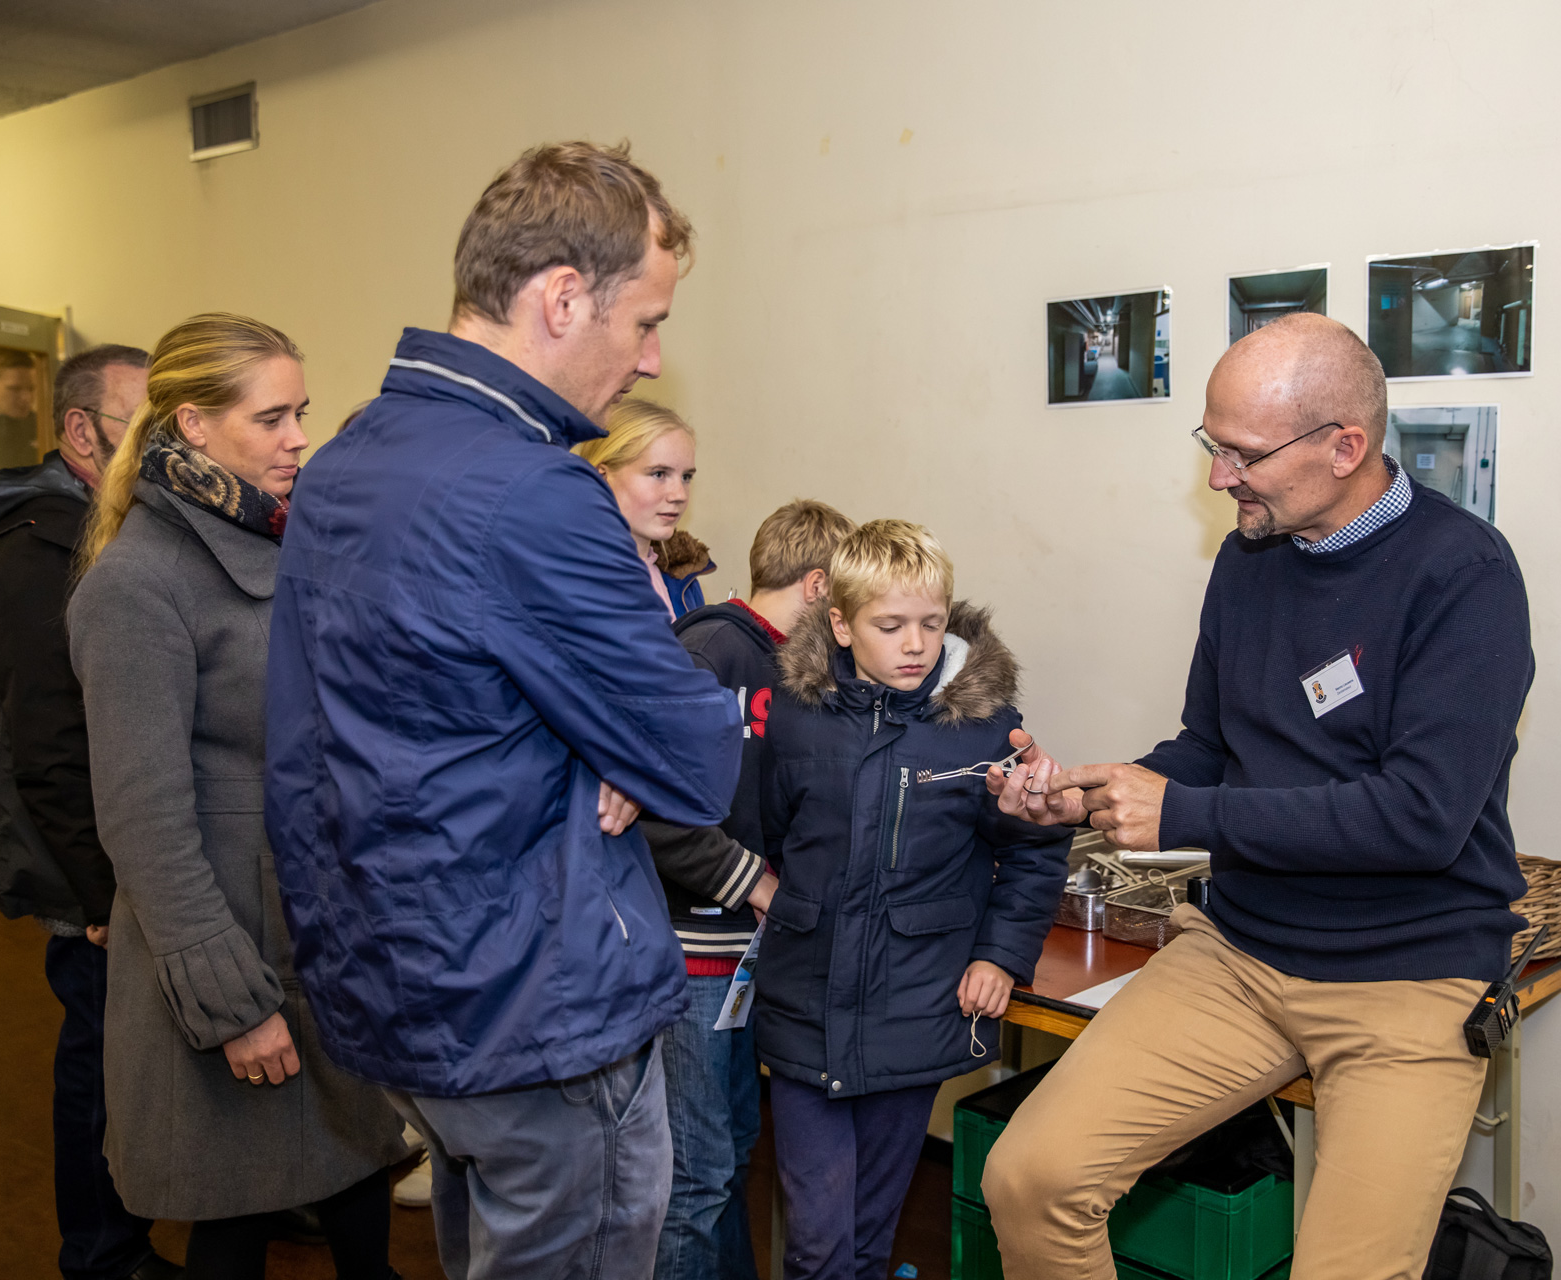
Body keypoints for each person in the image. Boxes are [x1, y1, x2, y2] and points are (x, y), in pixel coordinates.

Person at [264, 141, 743, 1280]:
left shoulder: (351, 455)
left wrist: (592, 733)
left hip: (403, 979)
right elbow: (693, 754)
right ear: (562, 297)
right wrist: (614, 742)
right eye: (645, 322)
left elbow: (336, 729)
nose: (651, 357)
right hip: (541, 1000)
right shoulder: (534, 488)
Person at [978, 313, 1536, 1280]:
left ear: (1345, 447)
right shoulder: (1249, 560)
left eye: (1241, 454)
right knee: (1033, 1177)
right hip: (1240, 953)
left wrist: (1181, 817)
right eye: (1211, 445)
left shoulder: (1464, 574)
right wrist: (1093, 797)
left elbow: (1421, 815)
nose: (1218, 478)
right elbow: (1208, 748)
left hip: (1409, 976)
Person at [66, 314, 406, 1280]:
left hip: (318, 937)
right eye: (273, 416)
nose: (300, 435)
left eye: (301, 410)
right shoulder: (137, 585)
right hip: (232, 952)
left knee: (352, 1179)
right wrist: (231, 1006)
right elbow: (143, 822)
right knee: (233, 1213)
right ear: (194, 426)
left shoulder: (287, 543)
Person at [757, 519, 1070, 1280]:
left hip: (917, 1004)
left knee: (871, 1236)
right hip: (806, 1007)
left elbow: (1034, 849)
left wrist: (1000, 954)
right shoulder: (796, 714)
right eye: (889, 625)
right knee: (817, 1243)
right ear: (840, 623)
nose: (914, 643)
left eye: (930, 623)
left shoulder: (984, 729)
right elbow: (773, 831)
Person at [0, 344, 176, 1280]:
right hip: (87, 866)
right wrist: (104, 895)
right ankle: (102, 1254)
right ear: (80, 431)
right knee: (101, 1060)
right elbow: (50, 744)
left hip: (119, 854)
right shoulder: (44, 540)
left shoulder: (109, 525)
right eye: (141, 422)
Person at [642, 497, 855, 1280]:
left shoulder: (791, 667)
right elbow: (652, 810)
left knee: (731, 1151)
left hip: (744, 954)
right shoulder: (706, 652)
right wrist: (755, 883)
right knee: (695, 1176)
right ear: (817, 585)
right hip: (692, 951)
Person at [573, 397, 714, 619]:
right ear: (602, 477)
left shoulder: (684, 579)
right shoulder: (572, 578)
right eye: (659, 474)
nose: (679, 494)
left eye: (686, 477)